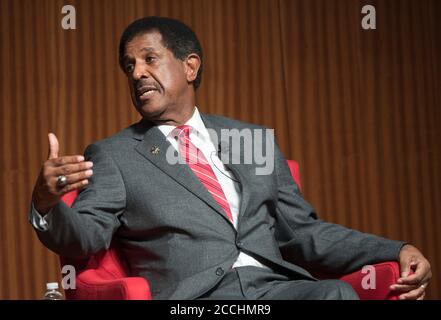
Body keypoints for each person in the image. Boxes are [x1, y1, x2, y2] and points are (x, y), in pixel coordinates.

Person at [29, 16, 431, 300]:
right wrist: (46, 204)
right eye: (129, 66)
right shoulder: (116, 153)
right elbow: (85, 238)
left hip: (274, 288)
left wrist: (395, 249)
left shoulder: (248, 139)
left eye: (149, 59)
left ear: (190, 66)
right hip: (196, 297)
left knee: (335, 294)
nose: (136, 73)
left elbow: (304, 232)